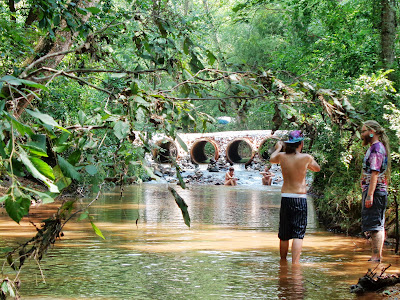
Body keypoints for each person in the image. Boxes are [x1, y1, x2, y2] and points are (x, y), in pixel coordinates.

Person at [270, 130, 320, 264]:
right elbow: (317, 168)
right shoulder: (306, 158)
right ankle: (295, 264)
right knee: (298, 233)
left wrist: (278, 148)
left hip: (286, 197)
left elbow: (271, 158)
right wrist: (306, 165)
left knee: (284, 233)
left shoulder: (281, 156)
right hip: (299, 197)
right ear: (301, 143)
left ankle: (282, 262)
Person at [360, 120, 390, 263]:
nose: (362, 134)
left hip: (376, 192)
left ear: (372, 132)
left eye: (364, 131)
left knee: (376, 225)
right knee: (374, 224)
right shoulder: (374, 147)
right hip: (374, 191)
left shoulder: (377, 149)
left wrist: (370, 195)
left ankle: (376, 257)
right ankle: (375, 257)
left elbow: (375, 173)